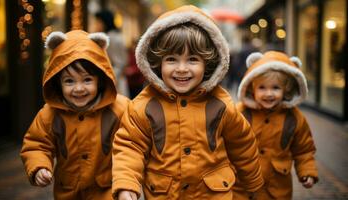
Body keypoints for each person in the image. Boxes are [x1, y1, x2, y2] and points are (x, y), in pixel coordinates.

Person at [112, 5, 264, 200]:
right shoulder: (145, 105)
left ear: (207, 63)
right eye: (172, 60)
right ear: (159, 62)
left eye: (192, 59)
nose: (182, 69)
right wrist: (126, 183)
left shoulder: (220, 104)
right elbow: (130, 146)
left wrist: (253, 183)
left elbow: (242, 144)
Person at [20, 30, 129, 199]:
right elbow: (36, 144)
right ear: (58, 82)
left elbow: (133, 143)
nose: (78, 88)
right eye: (69, 81)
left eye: (87, 80)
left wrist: (127, 183)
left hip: (108, 191)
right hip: (68, 192)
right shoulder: (49, 114)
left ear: (100, 80)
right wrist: (39, 166)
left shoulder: (120, 109)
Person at [234, 51, 319, 199]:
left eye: (275, 88)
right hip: (241, 187)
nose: (269, 94)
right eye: (262, 88)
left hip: (276, 189)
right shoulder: (239, 113)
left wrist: (307, 172)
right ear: (251, 88)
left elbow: (304, 150)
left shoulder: (294, 118)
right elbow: (222, 144)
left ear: (286, 90)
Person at [94, 9, 130, 97]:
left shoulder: (112, 38)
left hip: (115, 83)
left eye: (98, 22)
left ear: (104, 22)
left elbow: (120, 64)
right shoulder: (111, 36)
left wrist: (109, 81)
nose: (96, 25)